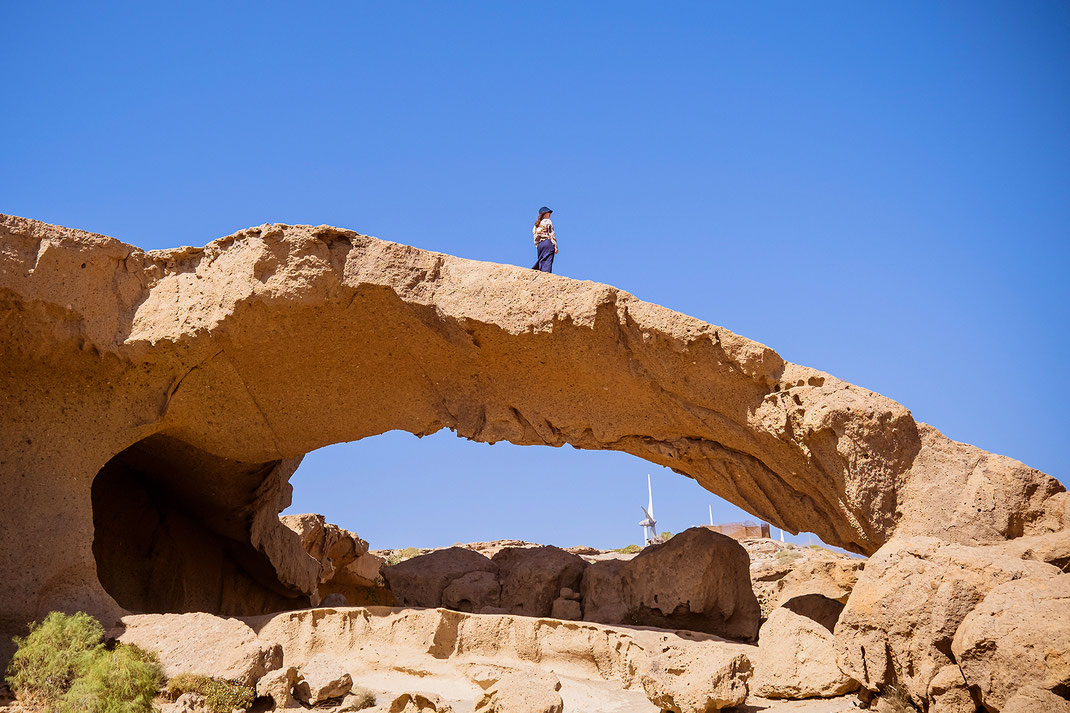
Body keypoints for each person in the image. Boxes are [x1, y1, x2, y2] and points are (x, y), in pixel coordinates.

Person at [532, 206, 557, 273]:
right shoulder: (548, 221)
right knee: (547, 261)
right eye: (549, 213)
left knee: (541, 261)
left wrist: (538, 246)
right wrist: (555, 246)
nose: (550, 214)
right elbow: (551, 233)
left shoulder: (536, 225)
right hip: (547, 243)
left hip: (540, 246)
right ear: (544, 214)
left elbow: (535, 237)